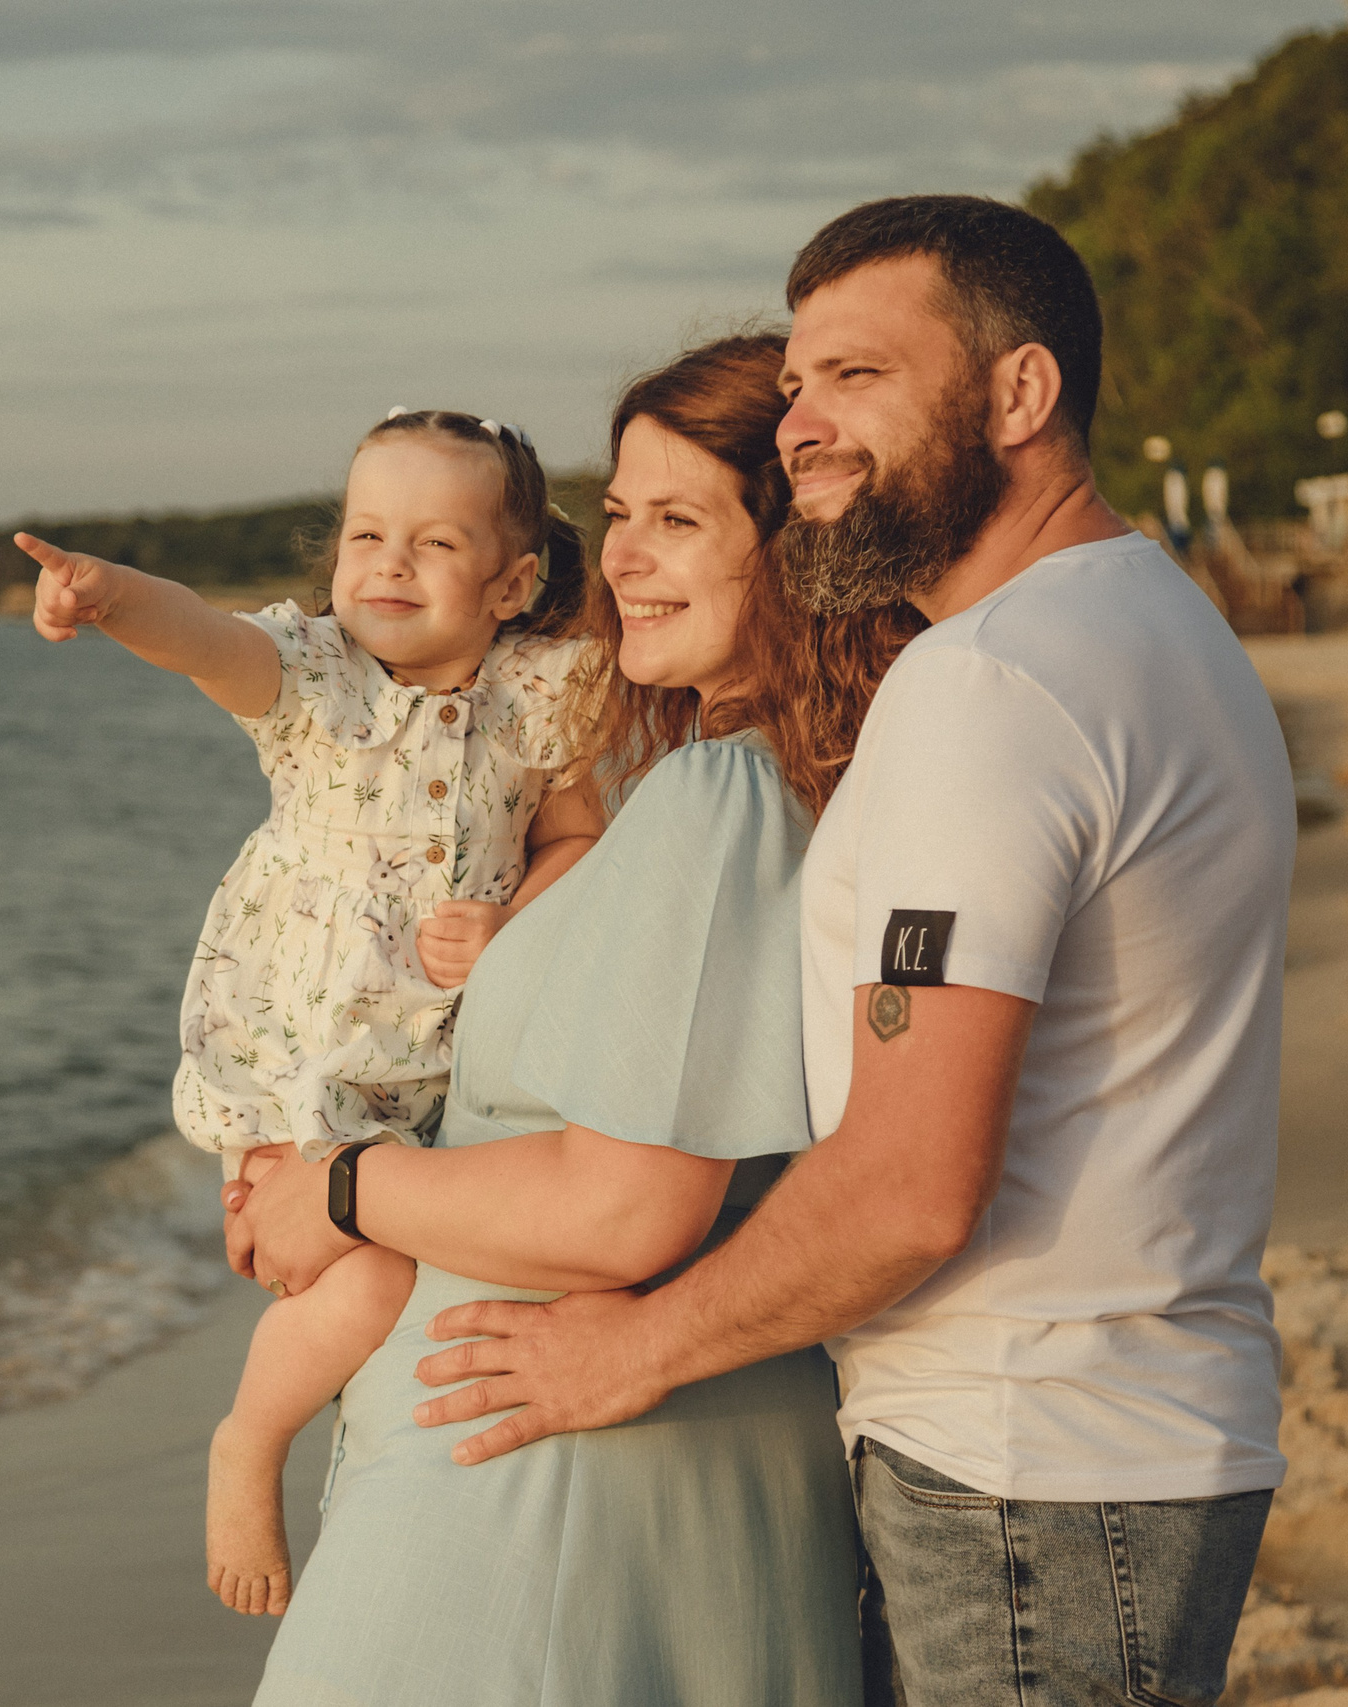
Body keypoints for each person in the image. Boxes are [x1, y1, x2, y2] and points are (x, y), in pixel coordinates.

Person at [364, 197, 1298, 1707]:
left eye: (860, 376)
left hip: (1024, 1459)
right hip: (1128, 1434)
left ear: (1020, 393)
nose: (805, 427)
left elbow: (912, 1180)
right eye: (796, 385)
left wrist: (634, 1351)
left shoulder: (990, 686)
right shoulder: (1153, 622)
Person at [227, 334, 923, 1706]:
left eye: (681, 520)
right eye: (618, 517)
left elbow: (628, 1208)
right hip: (595, 1457)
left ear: (790, 549)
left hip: (546, 1486)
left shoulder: (726, 798)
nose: (627, 561)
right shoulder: (755, 784)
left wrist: (348, 1190)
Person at [16, 409, 603, 1617]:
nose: (388, 564)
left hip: (442, 1073)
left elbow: (575, 836)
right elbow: (201, 639)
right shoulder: (314, 678)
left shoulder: (538, 697)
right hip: (300, 1057)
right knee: (369, 1283)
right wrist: (111, 594)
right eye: (366, 534)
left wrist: (510, 922)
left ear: (512, 582)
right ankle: (248, 1441)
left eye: (433, 543)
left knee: (424, 1273)